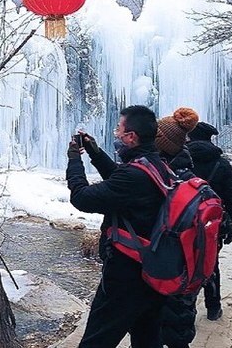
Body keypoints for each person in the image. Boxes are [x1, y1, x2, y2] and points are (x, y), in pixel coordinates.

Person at [66, 105, 171, 348]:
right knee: (147, 338)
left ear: (131, 136)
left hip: (126, 275)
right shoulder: (158, 165)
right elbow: (120, 179)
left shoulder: (135, 176)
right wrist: (95, 152)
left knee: (96, 341)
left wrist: (74, 160)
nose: (116, 135)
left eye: (119, 130)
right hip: (153, 270)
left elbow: (81, 197)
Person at [153, 107, 201, 348]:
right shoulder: (190, 175)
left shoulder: (164, 180)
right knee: (179, 325)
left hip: (166, 267)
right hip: (187, 268)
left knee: (161, 325)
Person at [187, 121, 232, 321]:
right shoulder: (221, 163)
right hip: (213, 224)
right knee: (210, 262)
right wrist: (230, 226)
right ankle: (213, 307)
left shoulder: (181, 161)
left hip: (184, 220)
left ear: (190, 137)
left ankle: (188, 308)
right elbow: (231, 198)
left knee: (186, 262)